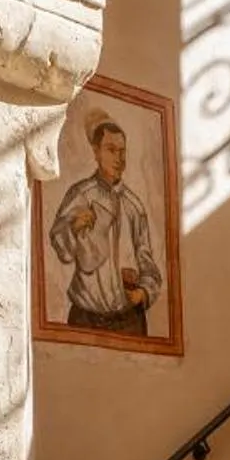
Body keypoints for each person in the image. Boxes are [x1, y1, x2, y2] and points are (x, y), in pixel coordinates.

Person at [49, 108, 163, 336]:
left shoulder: (134, 205)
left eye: (122, 151)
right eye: (111, 150)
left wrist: (143, 293)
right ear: (96, 151)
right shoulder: (81, 195)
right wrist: (72, 228)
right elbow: (62, 250)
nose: (119, 159)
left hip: (130, 322)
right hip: (86, 318)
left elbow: (147, 262)